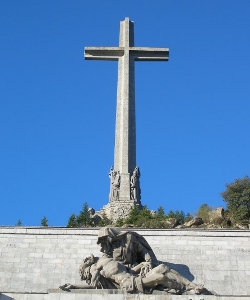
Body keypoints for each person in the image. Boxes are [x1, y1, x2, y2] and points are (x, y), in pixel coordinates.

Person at [60, 254, 205, 295]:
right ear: (87, 265)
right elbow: (93, 287)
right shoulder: (96, 269)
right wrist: (73, 286)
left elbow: (129, 271)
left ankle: (192, 286)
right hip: (130, 285)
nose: (87, 257)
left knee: (162, 267)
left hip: (135, 278)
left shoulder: (106, 259)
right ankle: (185, 291)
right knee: (161, 277)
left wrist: (142, 264)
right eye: (85, 260)